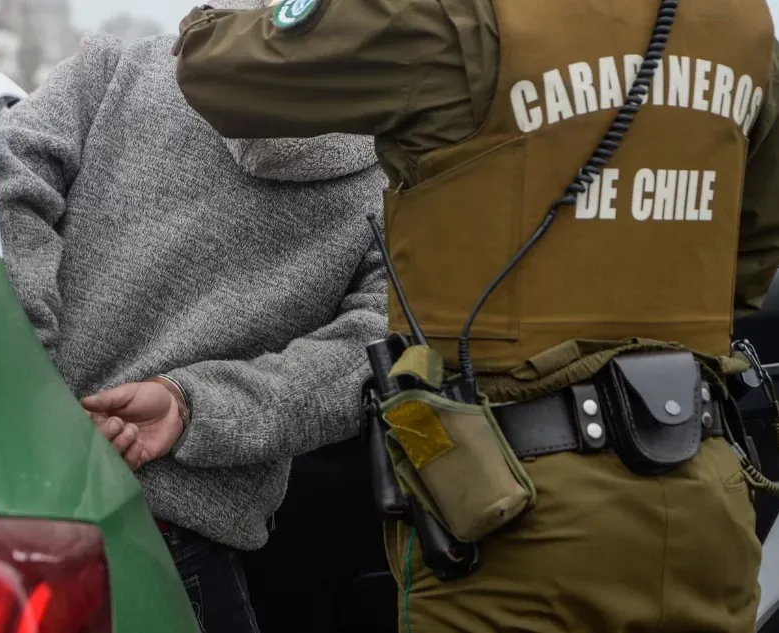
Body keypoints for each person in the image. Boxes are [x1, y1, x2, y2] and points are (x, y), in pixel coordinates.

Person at [171, 0, 779, 631]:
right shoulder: (741, 22)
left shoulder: (455, 15)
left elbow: (221, 69)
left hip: (507, 514)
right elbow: (750, 255)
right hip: (705, 500)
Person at [0, 2, 389, 630]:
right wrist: (191, 407)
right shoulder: (394, 184)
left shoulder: (118, 67)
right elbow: (374, 357)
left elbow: (4, 179)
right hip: (177, 549)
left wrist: (31, 377)